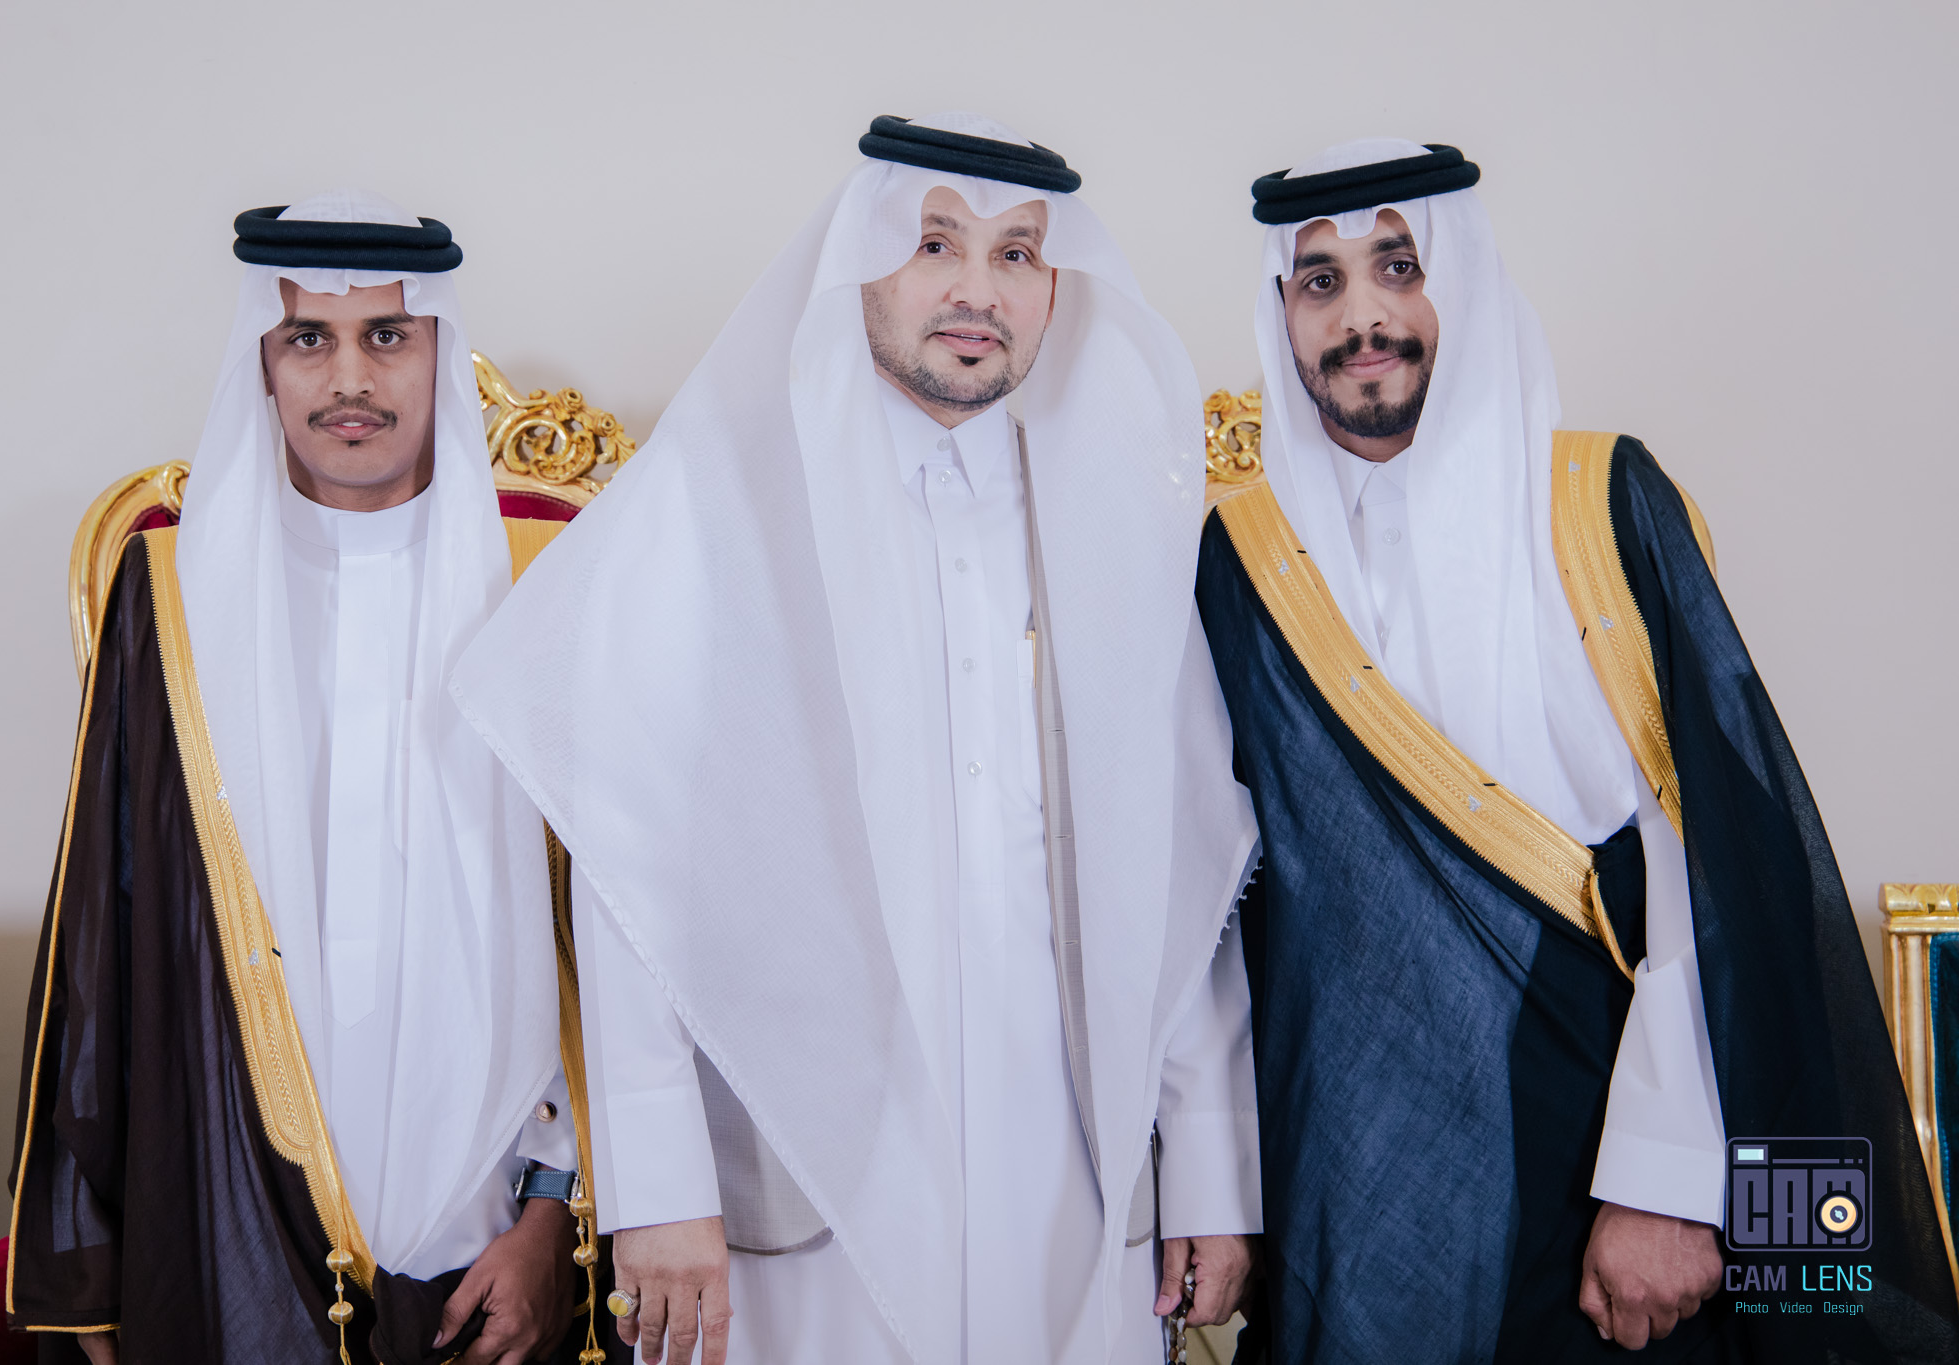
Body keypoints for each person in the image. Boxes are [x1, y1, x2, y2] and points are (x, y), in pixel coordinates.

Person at [452, 113, 1261, 1364]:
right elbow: (629, 869)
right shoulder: (715, 505)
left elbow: (1177, 864)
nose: (976, 290)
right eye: (935, 244)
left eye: (1016, 253)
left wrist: (1206, 1162)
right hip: (809, 1149)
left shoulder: (1111, 516)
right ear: (860, 260)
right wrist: (659, 1185)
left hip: (1066, 1148)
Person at [1197, 139, 1959, 1362]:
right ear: (1281, 312)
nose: (1361, 317)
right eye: (1319, 281)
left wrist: (1672, 1182)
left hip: (1621, 1163)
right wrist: (1213, 1186)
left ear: (1463, 280)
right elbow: (1217, 905)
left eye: (1398, 265)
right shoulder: (1238, 560)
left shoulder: (1602, 502)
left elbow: (1714, 853)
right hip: (1357, 1163)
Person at [7, 191, 605, 1365]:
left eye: (387, 335)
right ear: (263, 364)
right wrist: (95, 1262)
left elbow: (613, 929)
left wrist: (555, 1212)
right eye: (306, 339)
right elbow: (104, 929)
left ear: (438, 350)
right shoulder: (169, 597)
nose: (350, 380)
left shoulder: (549, 582)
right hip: (226, 1193)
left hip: (498, 1227)